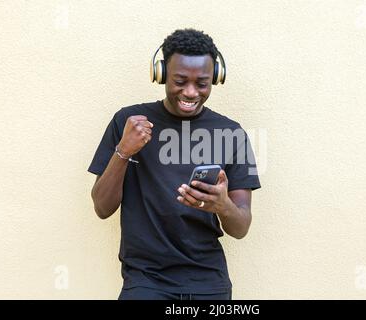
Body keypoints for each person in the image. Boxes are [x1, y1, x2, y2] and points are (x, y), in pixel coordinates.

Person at [88, 28, 261, 300]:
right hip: (145, 281)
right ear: (161, 75)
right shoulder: (127, 122)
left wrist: (223, 205)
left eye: (202, 83)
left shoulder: (232, 133)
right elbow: (102, 207)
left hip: (209, 282)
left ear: (216, 78)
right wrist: (124, 150)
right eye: (180, 81)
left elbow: (241, 228)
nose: (191, 92)